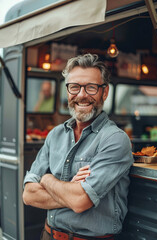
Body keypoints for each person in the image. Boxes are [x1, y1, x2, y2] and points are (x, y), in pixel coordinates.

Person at [23, 53, 134, 240]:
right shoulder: (55, 134)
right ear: (67, 91)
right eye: (74, 87)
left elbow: (80, 201)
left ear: (104, 92)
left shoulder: (115, 139)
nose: (81, 95)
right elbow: (28, 195)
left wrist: (48, 180)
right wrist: (70, 190)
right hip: (48, 234)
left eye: (91, 87)